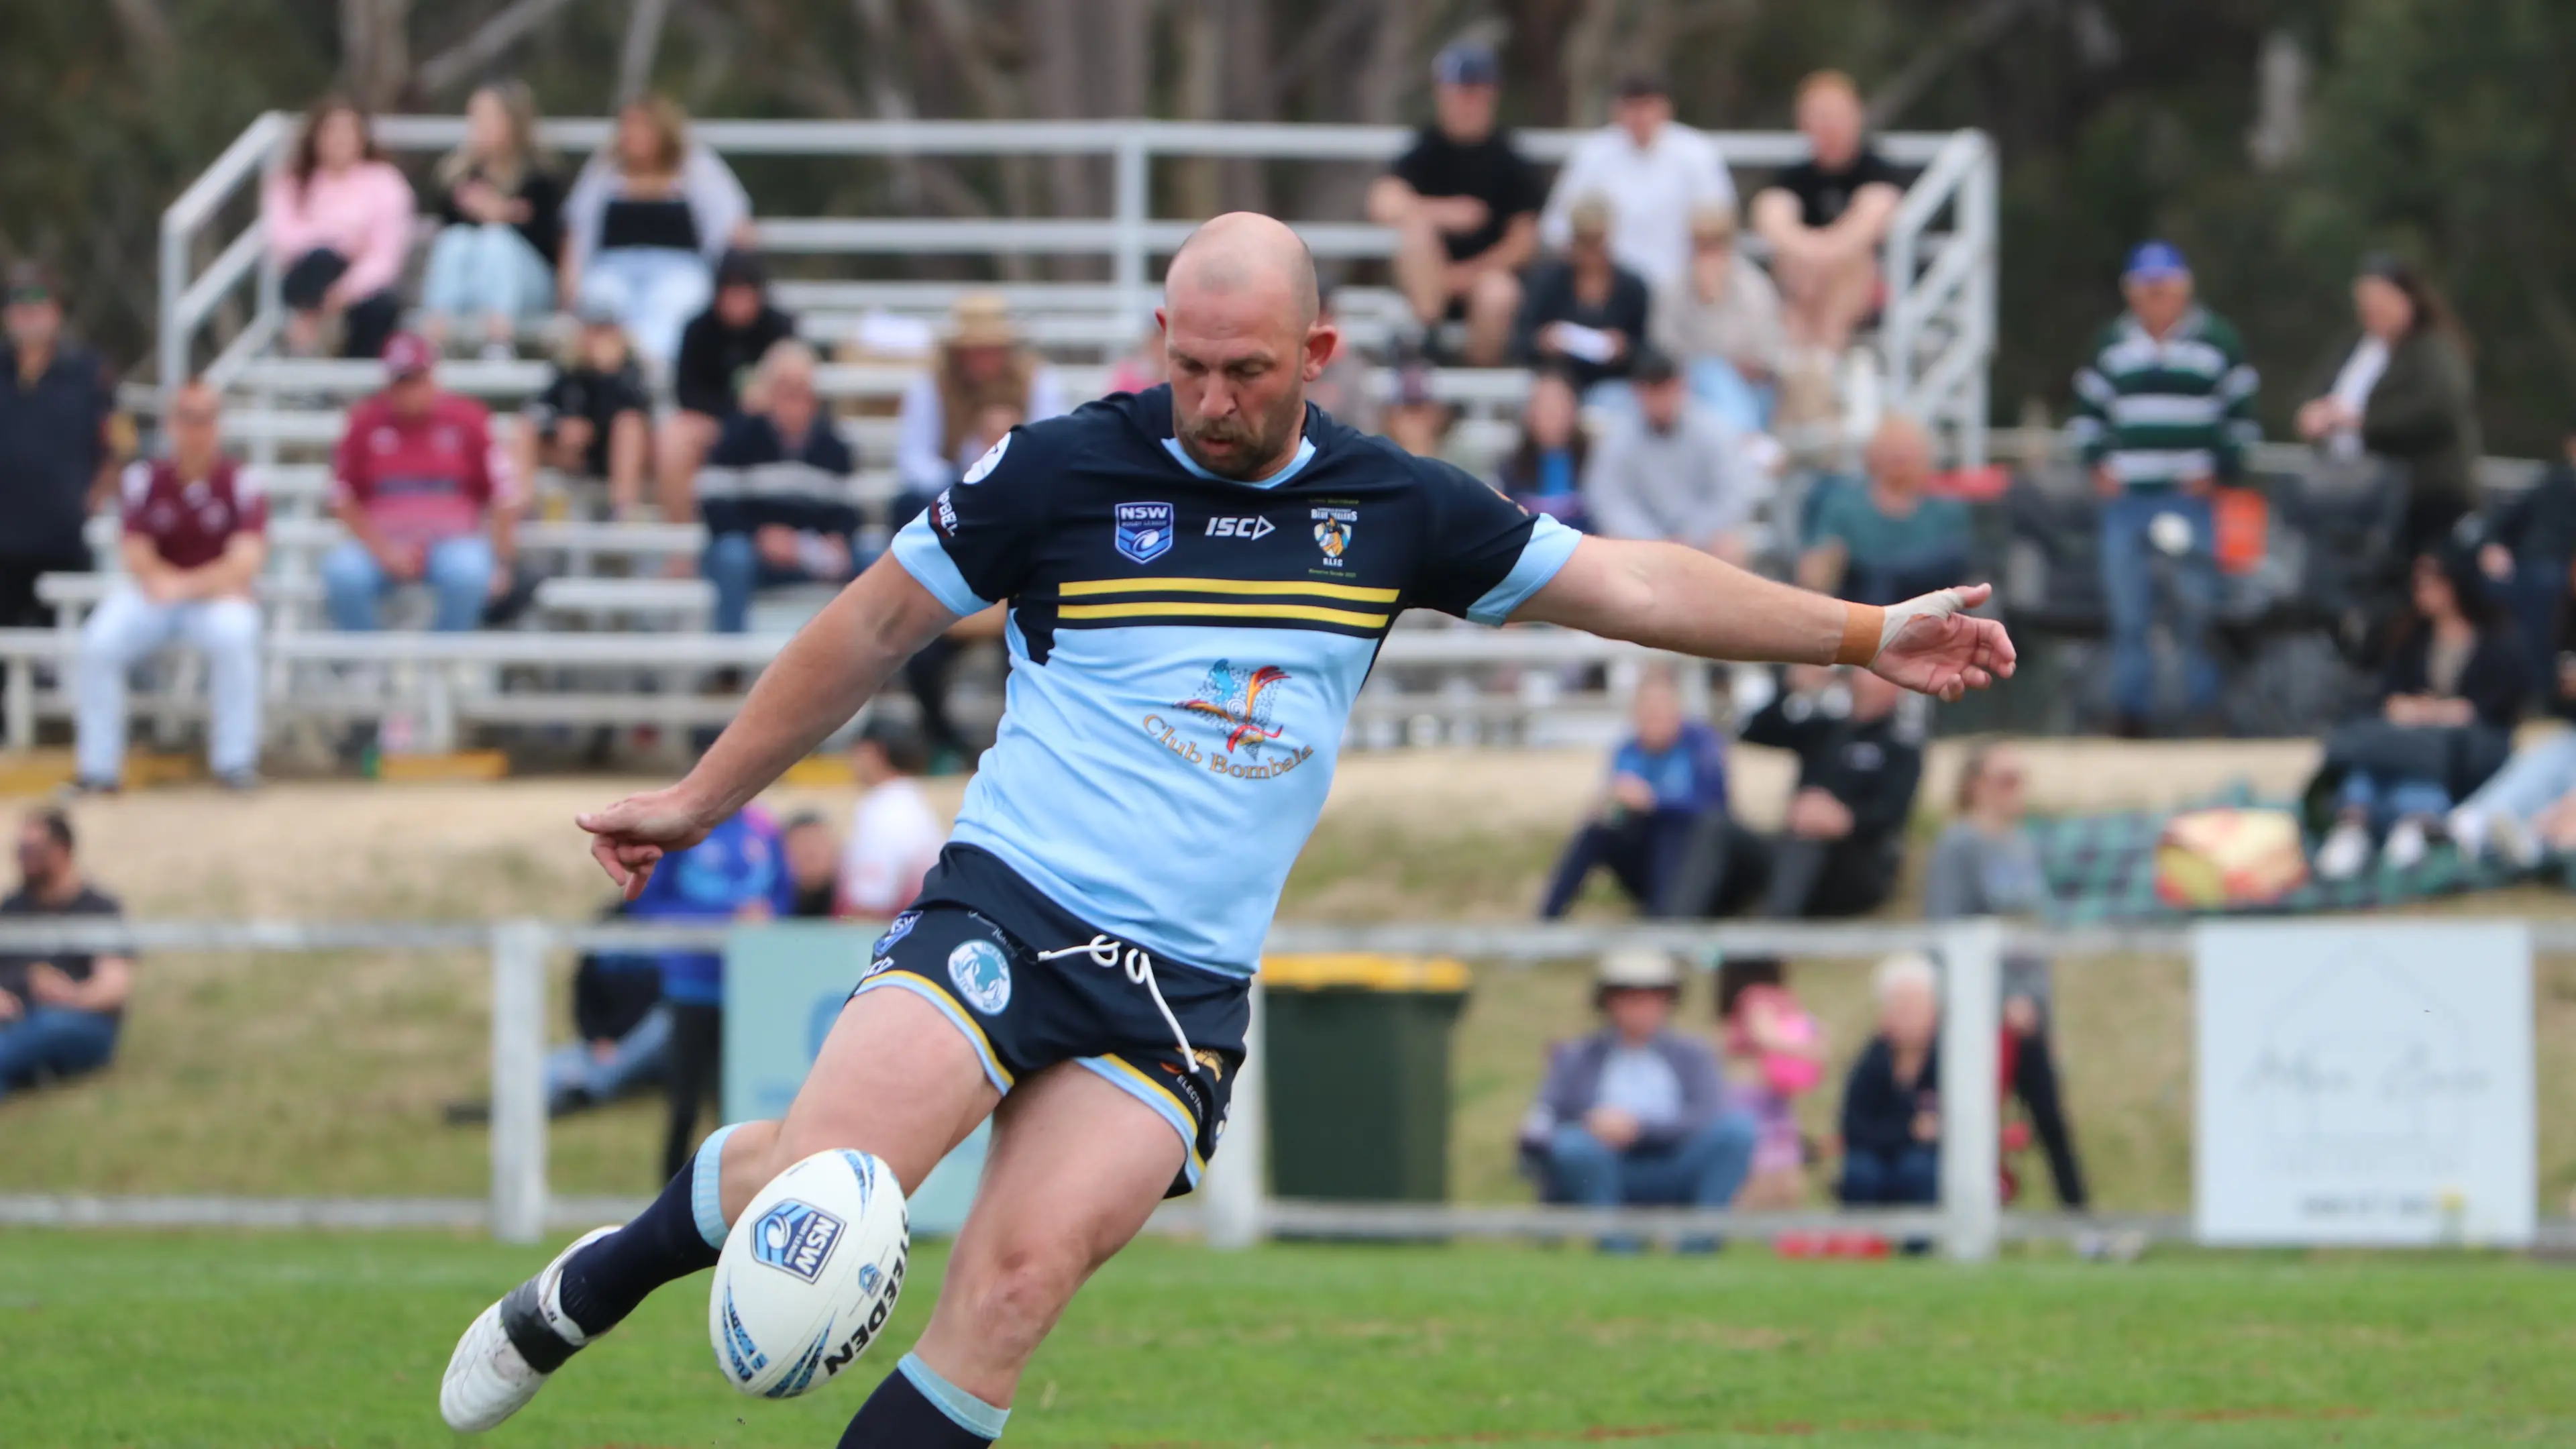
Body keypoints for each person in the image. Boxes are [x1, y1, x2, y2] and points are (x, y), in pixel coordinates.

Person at [439, 211, 2012, 1442]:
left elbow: (1635, 581)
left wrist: (1863, 631)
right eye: (1186, 363)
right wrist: (700, 796)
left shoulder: (1392, 508)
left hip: (1178, 990)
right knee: (817, 1180)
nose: (1209, 398)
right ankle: (596, 1281)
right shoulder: (1056, 470)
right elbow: (865, 631)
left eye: (1246, 370)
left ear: (1315, 348)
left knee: (1012, 1284)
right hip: (1005, 907)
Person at [2070, 241, 2259, 736]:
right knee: (2128, 610)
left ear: (2184, 290)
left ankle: (2202, 713)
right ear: (2132, 294)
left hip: (2191, 500)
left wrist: (2221, 471)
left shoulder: (2218, 340)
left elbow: (2242, 420)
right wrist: (2099, 466)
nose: (2157, 298)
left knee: (2197, 607)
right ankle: (2130, 713)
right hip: (2127, 499)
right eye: (2147, 289)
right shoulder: (2110, 343)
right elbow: (2087, 416)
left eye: (2165, 288)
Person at [73, 382, 267, 793]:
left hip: (212, 596)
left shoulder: (242, 481)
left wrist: (186, 586)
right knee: (98, 641)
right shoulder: (144, 478)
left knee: (236, 635)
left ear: (219, 425)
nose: (197, 430)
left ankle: (235, 762)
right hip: (159, 591)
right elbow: (135, 553)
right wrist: (170, 585)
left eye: (206, 419)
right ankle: (98, 768)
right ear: (171, 424)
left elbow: (246, 559)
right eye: (187, 418)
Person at [1922, 743, 2090, 1211]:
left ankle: (2082, 1226)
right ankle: (1963, 1221)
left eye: (2021, 778)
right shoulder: (1959, 845)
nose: (2017, 790)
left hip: (2029, 1013)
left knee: (2051, 1120)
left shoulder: (2023, 845)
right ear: (1975, 786)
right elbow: (1946, 932)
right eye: (2005, 779)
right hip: (1984, 1015)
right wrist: (1997, 1001)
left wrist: (2041, 1009)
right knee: (1973, 1123)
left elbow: (2033, 939)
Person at [1518, 948, 1758, 1249]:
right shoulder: (1576, 1056)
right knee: (1572, 1146)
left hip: (1676, 1162)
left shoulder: (1694, 1055)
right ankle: (1617, 1246)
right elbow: (1543, 1118)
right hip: (1603, 1166)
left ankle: (1699, 1246)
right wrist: (1591, 1124)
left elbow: (1707, 1114)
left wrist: (1640, 1129)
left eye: (1651, 996)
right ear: (1608, 1001)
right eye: (1627, 997)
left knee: (1737, 1130)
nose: (1640, 1007)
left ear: (1669, 1001)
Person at [2314, 547, 2526, 879]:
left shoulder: (2495, 637)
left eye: (2432, 582)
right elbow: (2388, 694)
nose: (2423, 590)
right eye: (2418, 583)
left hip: (2466, 744)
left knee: (2420, 754)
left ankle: (2414, 822)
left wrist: (2443, 712)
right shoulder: (2410, 635)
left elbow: (2494, 704)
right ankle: (2353, 825)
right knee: (2387, 748)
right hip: (2414, 736)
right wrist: (2411, 708)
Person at [621, 804, 798, 1181]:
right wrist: (722, 920)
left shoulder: (763, 828)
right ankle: (667, 1201)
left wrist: (768, 916)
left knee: (738, 1104)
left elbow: (784, 895)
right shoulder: (682, 830)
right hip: (692, 986)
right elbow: (648, 904)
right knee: (684, 1103)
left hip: (751, 989)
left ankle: (737, 1197)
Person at [1666, 665, 1925, 920]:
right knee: (1716, 826)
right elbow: (1754, 733)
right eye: (1861, 670)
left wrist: (1844, 819)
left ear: (1896, 686)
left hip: (1855, 866)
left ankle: (1763, 949)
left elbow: (1893, 813)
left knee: (1808, 833)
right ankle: (1673, 935)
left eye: (1872, 671)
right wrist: (1789, 687)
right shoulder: (1824, 730)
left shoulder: (1901, 745)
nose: (1861, 677)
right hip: (1790, 856)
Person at [324, 333, 519, 633]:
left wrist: (502, 561)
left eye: (416, 378)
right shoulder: (364, 421)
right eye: (401, 381)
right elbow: (340, 497)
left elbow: (504, 493)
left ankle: (443, 662)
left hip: (453, 543)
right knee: (343, 572)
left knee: (471, 571)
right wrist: (386, 551)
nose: (408, 390)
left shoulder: (469, 419)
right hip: (381, 544)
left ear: (432, 376)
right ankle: (364, 668)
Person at [1366, 40, 1542, 366]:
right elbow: (1383, 202)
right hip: (1429, 284)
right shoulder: (1425, 150)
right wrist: (1444, 212)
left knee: (1498, 293)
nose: (1467, 103)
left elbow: (1523, 241)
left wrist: (1465, 275)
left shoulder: (1510, 159)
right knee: (1416, 234)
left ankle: (1477, 371)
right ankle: (1429, 337)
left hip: (1485, 280)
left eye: (1475, 92)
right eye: (1460, 91)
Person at [2294, 254, 2480, 562]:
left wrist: (2362, 423)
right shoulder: (2357, 346)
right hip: (2354, 492)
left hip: (2422, 495)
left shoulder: (2433, 348)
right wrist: (2312, 413)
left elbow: (2439, 407)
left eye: (2381, 298)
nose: (2371, 309)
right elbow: (2320, 389)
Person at [561, 94, 752, 367]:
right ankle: (614, 371)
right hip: (614, 268)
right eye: (629, 127)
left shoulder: (694, 168)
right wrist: (569, 284)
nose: (634, 135)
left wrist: (733, 279)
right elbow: (578, 227)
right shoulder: (604, 170)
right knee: (601, 298)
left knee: (677, 304)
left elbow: (732, 222)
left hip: (678, 269)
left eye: (643, 127)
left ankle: (649, 368)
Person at [698, 340, 859, 635]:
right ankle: (729, 669)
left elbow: (847, 510)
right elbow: (714, 505)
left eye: (802, 388)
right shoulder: (738, 436)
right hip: (756, 553)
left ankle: (871, 668)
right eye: (786, 388)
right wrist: (761, 535)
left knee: (874, 558)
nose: (795, 399)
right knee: (732, 555)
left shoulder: (833, 445)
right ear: (768, 391)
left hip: (813, 552)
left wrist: (836, 538)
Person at [1538, 667, 1727, 918]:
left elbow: (1717, 812)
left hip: (1692, 860)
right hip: (1644, 858)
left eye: (1660, 708)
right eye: (1647, 710)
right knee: (1597, 829)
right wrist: (1607, 808)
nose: (1653, 716)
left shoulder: (1701, 745)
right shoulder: (1628, 750)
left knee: (1669, 829)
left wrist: (1654, 802)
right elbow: (1619, 810)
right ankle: (1546, 921)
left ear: (1677, 710)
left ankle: (1662, 925)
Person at [1750, 72, 1907, 354]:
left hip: (1859, 291)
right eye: (1819, 116)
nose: (1828, 126)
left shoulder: (1878, 172)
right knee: (1795, 264)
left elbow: (1874, 217)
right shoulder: (1792, 178)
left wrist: (1822, 255)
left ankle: (1820, 359)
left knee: (1848, 265)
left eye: (1835, 115)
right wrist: (1812, 255)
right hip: (1804, 288)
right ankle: (1805, 366)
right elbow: (1770, 215)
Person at [0, 262, 119, 628]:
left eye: (37, 303)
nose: (27, 314)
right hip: (3, 541)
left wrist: (100, 491)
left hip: (63, 537)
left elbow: (120, 442)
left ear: (56, 311)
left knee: (68, 658)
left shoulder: (91, 371)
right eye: (17, 304)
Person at [1538, 72, 1735, 291]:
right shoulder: (1592, 154)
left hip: (1683, 289)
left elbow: (1720, 229)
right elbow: (1556, 228)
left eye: (1647, 106)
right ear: (1616, 110)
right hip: (1611, 293)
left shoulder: (1698, 154)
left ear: (1666, 109)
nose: (1640, 116)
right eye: (1631, 107)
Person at [262, 95, 414, 361]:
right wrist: (343, 237)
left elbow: (385, 258)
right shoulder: (293, 181)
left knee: (379, 306)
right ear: (315, 136)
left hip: (361, 285)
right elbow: (283, 239)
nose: (339, 139)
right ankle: (313, 342)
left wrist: (343, 292)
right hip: (308, 277)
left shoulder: (385, 182)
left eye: (348, 130)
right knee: (321, 258)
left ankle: (332, 358)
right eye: (331, 130)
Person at [421, 81, 565, 358]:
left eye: (491, 116)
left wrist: (501, 215)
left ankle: (498, 340)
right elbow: (448, 230)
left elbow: (548, 242)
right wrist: (492, 212)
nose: (481, 126)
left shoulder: (541, 177)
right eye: (475, 117)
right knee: (456, 240)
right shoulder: (457, 174)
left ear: (514, 121)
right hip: (472, 286)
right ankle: (434, 336)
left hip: (529, 287)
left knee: (496, 240)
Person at [1582, 347, 1764, 564]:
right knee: (1609, 543)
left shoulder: (1713, 428)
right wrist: (1652, 540)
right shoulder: (1619, 436)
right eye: (1654, 392)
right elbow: (1609, 498)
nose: (1662, 402)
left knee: (1729, 546)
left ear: (1683, 387)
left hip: (1701, 538)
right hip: (1643, 539)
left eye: (1668, 390)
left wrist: (1692, 535)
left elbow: (1733, 492)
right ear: (1637, 393)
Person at [0, 809, 131, 1101]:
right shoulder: (11, 909)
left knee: (48, 1024)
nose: (23, 859)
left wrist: (69, 995)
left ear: (63, 850)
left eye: (32, 850)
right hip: (15, 1018)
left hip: (78, 1022)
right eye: (19, 850)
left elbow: (115, 988)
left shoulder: (98, 908)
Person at [659, 249, 798, 523]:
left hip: (769, 425)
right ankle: (679, 544)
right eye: (731, 291)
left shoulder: (780, 327)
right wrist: (735, 412)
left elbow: (794, 386)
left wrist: (761, 406)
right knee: (674, 439)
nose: (738, 301)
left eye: (745, 291)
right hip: (715, 424)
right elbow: (687, 393)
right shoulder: (697, 329)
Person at [894, 292, 1071, 502]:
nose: (983, 358)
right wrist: (962, 484)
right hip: (951, 493)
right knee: (909, 503)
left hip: (1023, 489)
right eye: (974, 349)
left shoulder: (1037, 379)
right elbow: (914, 457)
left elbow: (1053, 448)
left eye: (991, 349)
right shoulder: (932, 383)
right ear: (958, 352)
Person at [1797, 415, 1972, 606]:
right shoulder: (1844, 506)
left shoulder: (1947, 509)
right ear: (1871, 455)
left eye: (1908, 449)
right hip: (1865, 613)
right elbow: (1817, 570)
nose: (1900, 456)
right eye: (1891, 449)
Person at [1651, 199, 1786, 429]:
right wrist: (1704, 302)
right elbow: (1663, 349)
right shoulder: (1674, 289)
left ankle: (1737, 439)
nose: (1707, 252)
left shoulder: (1753, 287)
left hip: (1748, 393)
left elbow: (1767, 355)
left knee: (1716, 375)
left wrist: (1713, 301)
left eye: (1714, 244)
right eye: (1700, 244)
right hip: (1687, 391)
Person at [515, 303, 653, 519]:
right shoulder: (570, 370)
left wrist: (607, 374)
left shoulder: (631, 370)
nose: (595, 339)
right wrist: (559, 426)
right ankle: (522, 506)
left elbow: (637, 409)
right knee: (525, 428)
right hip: (576, 452)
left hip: (618, 452)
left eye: (603, 331)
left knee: (629, 426)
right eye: (591, 330)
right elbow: (539, 408)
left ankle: (623, 510)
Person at [1713, 957, 1825, 1211]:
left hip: (1764, 1098)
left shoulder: (1741, 1003)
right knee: (1765, 1180)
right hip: (1756, 1102)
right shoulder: (1759, 996)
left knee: (1783, 1179)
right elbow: (1764, 1036)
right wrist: (1809, 1049)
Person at [1513, 197, 1653, 397]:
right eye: (1584, 242)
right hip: (1556, 379)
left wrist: (1624, 348)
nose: (1591, 252)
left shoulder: (1632, 287)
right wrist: (1543, 341)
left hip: (1614, 382)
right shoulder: (1547, 282)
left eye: (1596, 242)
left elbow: (1647, 347)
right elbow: (1520, 341)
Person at [1837, 953, 1941, 1213]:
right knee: (1860, 1171)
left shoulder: (1948, 1061)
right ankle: (1861, 1247)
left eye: (1915, 1006)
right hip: (1875, 1156)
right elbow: (1853, 1127)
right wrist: (1909, 1132)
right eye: (1900, 1006)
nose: (1908, 1017)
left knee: (1919, 1169)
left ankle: (1920, 1250)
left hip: (1925, 1160)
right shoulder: (1871, 1062)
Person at [2475, 424, 2576, 694]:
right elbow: (2506, 518)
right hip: (2524, 565)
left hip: (2557, 572)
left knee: (2544, 587)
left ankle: (2538, 690)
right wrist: (2492, 546)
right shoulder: (2554, 479)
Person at [839, 716, 944, 919]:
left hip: (896, 937)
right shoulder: (912, 802)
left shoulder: (883, 809)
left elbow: (869, 906)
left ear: (874, 752)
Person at [1495, 366, 1590, 527]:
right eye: (1542, 404)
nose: (1550, 412)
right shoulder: (1510, 468)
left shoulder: (1595, 462)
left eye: (1559, 403)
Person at [1379, 361, 1456, 461]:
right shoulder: (1371, 470)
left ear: (1440, 415)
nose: (1415, 422)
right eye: (1409, 411)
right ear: (1390, 419)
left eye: (1420, 411)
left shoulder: (1459, 467)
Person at [781, 812, 844, 919]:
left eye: (819, 842)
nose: (811, 852)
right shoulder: (770, 907)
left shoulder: (857, 905)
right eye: (802, 842)